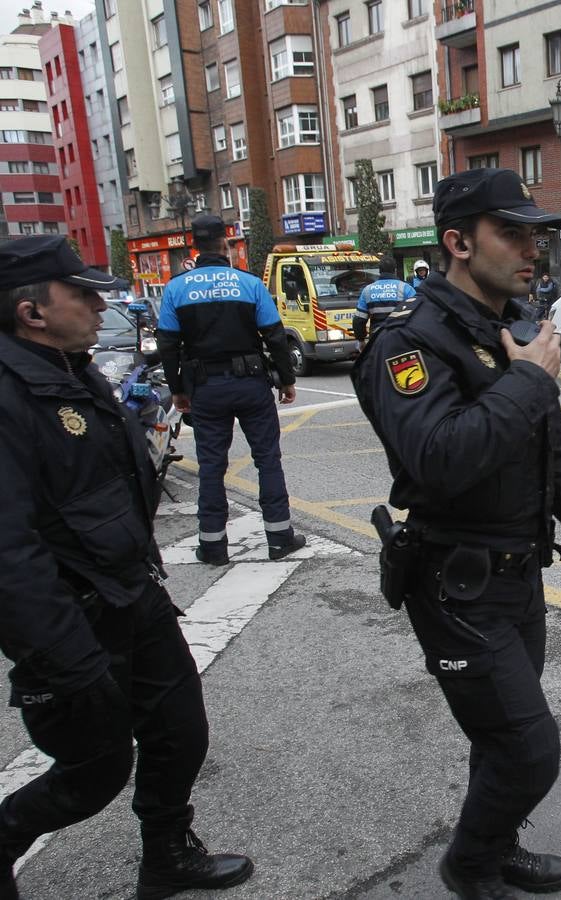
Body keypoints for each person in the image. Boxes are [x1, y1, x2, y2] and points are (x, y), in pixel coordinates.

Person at [351, 168, 561, 900]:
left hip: (516, 574)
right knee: (528, 748)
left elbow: (547, 447)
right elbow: (439, 460)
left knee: (500, 739)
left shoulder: (515, 330)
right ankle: (469, 869)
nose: (531, 249)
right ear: (459, 243)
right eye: (512, 233)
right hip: (455, 582)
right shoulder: (410, 344)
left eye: (535, 234)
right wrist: (528, 381)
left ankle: (494, 846)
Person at [0, 236, 254, 900]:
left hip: (130, 592)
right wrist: (67, 659)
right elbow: (10, 553)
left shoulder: (70, 367)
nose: (97, 305)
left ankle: (167, 855)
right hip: (74, 620)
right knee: (94, 770)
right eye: (81, 293)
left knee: (180, 731)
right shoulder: (9, 394)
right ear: (32, 312)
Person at [157, 215, 306, 565]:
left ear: (194, 246)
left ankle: (213, 546)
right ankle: (280, 538)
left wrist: (178, 389)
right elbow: (275, 336)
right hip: (251, 384)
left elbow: (167, 344)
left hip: (205, 388)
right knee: (267, 459)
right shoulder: (249, 283)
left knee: (211, 465)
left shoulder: (177, 288)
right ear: (226, 244)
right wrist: (286, 380)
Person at [355, 255, 417, 342]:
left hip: (376, 339)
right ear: (395, 270)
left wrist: (361, 340)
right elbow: (417, 315)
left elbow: (359, 320)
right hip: (401, 339)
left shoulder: (367, 290)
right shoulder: (406, 288)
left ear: (379, 271)